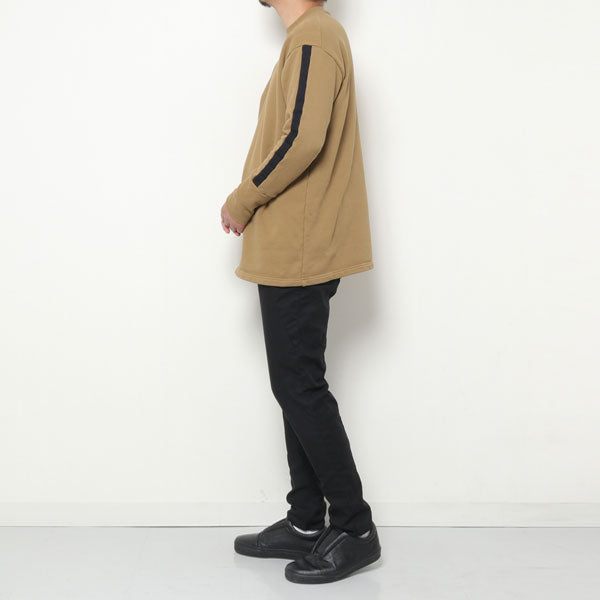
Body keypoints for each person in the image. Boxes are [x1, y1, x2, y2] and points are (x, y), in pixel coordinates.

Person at [221, 0, 380, 584]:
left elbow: (302, 138)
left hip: (301, 247)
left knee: (299, 386)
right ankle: (308, 520)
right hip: (295, 245)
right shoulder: (309, 38)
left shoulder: (314, 36)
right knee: (296, 385)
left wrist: (243, 198)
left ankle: (355, 528)